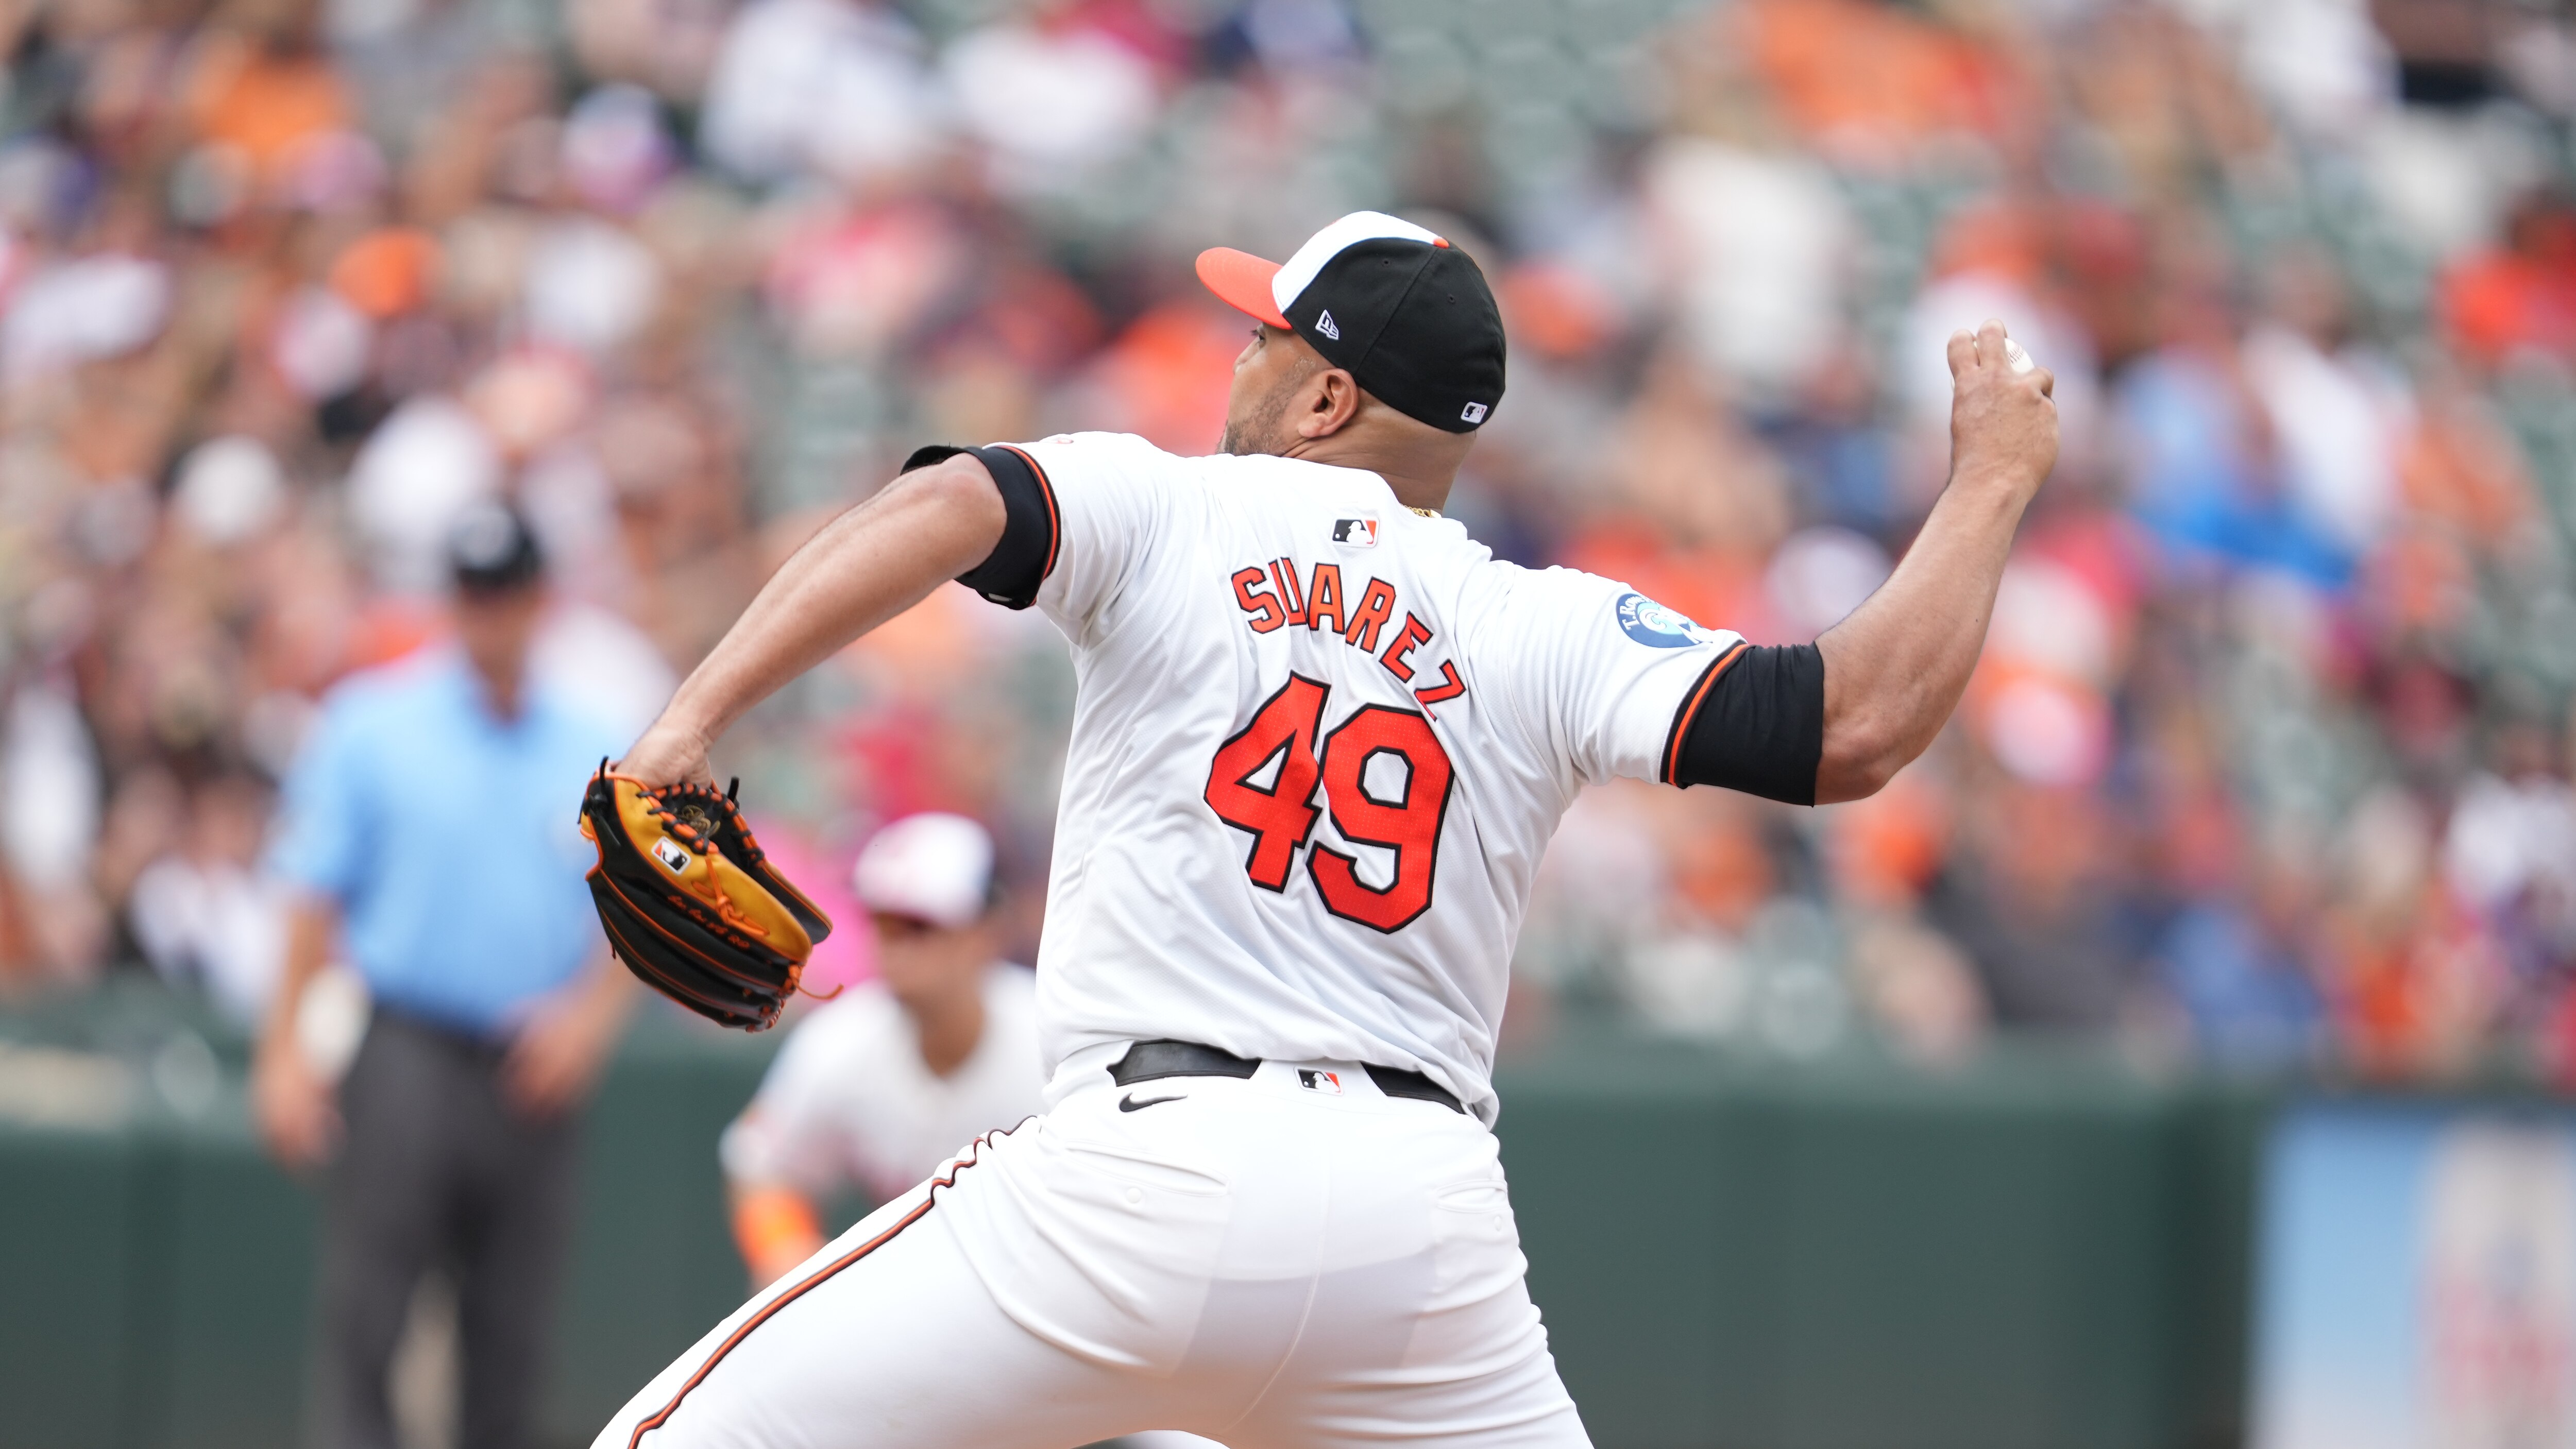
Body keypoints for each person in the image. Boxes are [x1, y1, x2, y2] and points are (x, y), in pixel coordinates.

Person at [597, 210, 2060, 1448]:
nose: (1242, 354)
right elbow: (1852, 722)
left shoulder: (1170, 506)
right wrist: (1993, 479)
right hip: (1414, 1241)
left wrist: (689, 723)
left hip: (1132, 1177)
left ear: (1324, 402)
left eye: (1268, 336)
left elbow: (953, 503)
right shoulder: (1535, 621)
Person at [255, 501, 638, 1449]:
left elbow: (638, 909)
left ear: (540, 600)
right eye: (473, 592)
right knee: (371, 1313)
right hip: (406, 1046)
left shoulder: (596, 744)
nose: (488, 612)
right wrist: (282, 1053)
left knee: (511, 1333)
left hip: (533, 1063)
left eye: (505, 592)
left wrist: (590, 1020)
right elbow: (311, 898)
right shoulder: (373, 723)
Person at [720, 812, 1044, 1289]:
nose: (898, 948)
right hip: (903, 1301)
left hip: (1038, 1297)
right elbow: (764, 1168)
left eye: (921, 926)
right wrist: (786, 1251)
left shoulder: (1051, 1043)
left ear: (987, 930)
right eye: (885, 924)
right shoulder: (841, 1041)